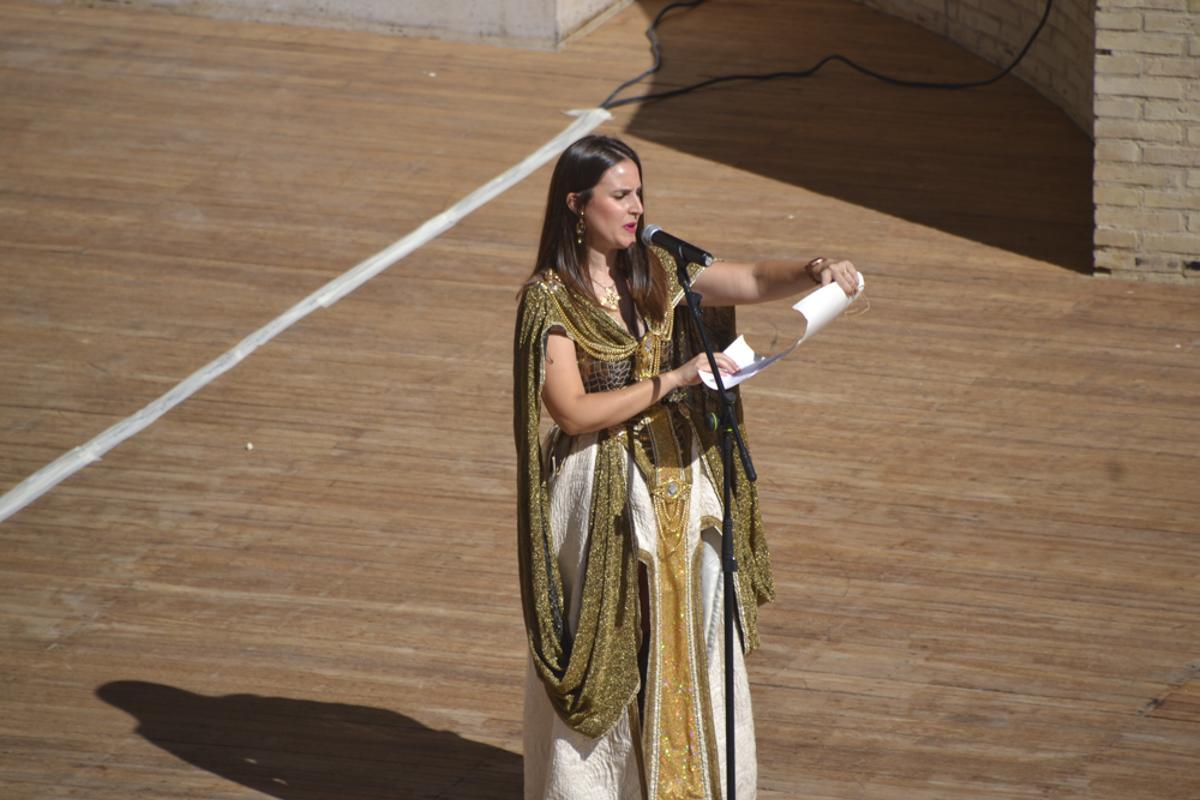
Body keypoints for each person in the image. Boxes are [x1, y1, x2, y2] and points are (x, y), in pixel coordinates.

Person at [514, 134, 859, 800]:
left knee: (694, 644)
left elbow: (750, 279)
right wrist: (672, 378)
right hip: (601, 498)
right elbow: (573, 412)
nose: (636, 207)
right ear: (576, 204)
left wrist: (815, 268)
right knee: (614, 646)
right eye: (621, 196)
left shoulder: (659, 264)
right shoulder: (548, 298)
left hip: (681, 485)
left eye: (639, 192)